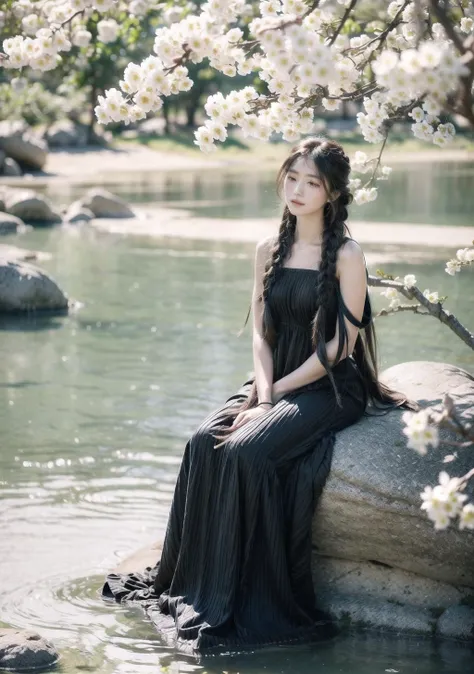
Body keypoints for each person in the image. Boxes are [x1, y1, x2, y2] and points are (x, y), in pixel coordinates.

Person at [101, 136, 417, 656]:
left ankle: (246, 599)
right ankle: (194, 583)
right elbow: (261, 336)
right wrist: (263, 393)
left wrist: (274, 399)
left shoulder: (348, 255)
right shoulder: (267, 249)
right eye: (291, 177)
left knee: (249, 451)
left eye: (310, 183)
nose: (296, 189)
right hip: (274, 378)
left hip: (331, 385)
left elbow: (339, 349)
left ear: (332, 194)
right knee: (204, 441)